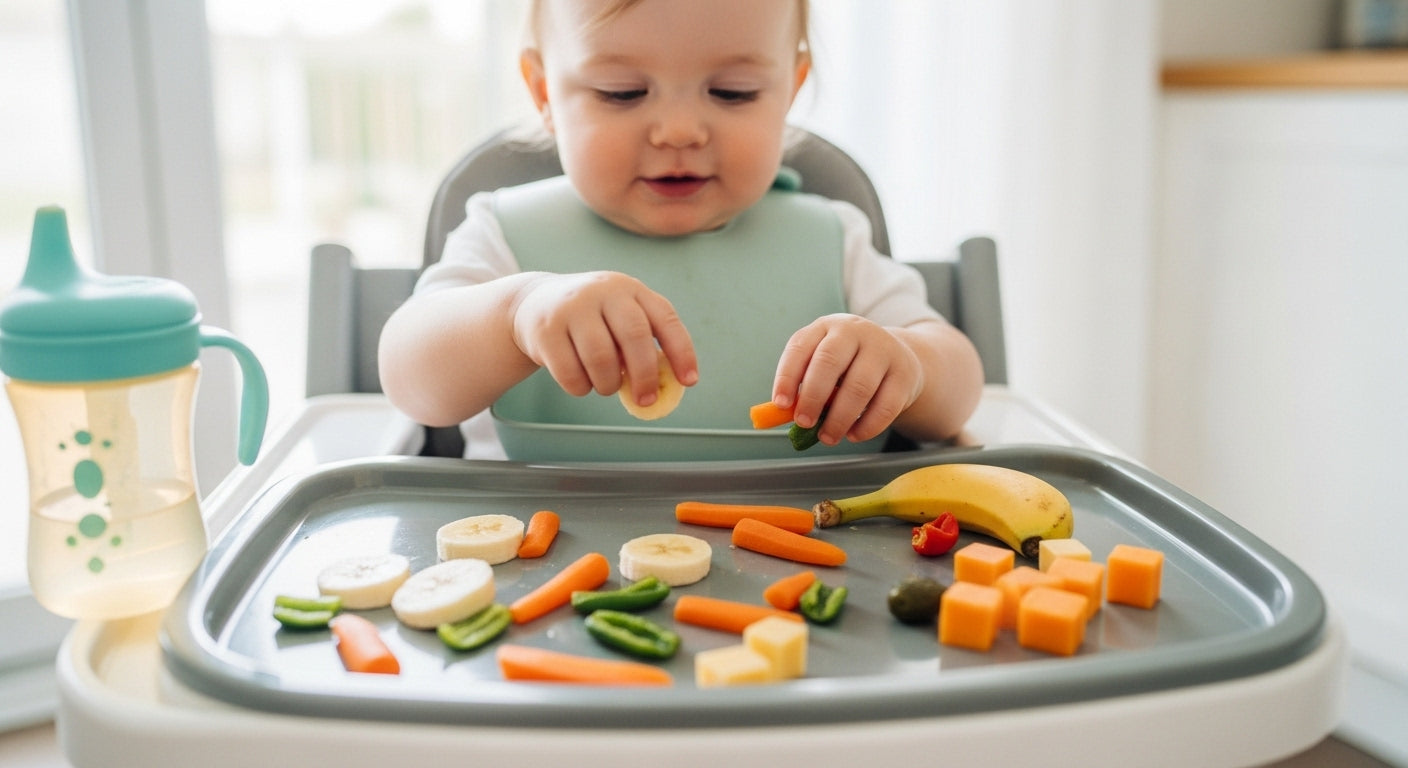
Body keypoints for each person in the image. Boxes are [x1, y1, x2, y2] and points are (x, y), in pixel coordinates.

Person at [377, 0, 984, 460]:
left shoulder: (835, 240)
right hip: (537, 569)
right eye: (622, 92)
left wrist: (911, 365)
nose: (678, 131)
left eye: (733, 92)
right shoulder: (502, 234)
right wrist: (514, 314)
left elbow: (958, 394)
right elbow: (409, 379)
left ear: (789, 93)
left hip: (813, 567)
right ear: (544, 93)